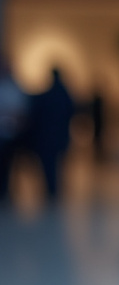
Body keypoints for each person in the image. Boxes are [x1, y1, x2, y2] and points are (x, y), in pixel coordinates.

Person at [27, 67, 75, 200]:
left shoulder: (47, 95)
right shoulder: (65, 94)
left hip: (47, 135)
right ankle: (53, 187)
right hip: (60, 134)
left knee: (49, 163)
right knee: (56, 162)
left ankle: (51, 187)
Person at [0, 57, 29, 202]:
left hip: (13, 134)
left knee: (11, 164)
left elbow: (22, 111)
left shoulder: (16, 89)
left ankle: (8, 189)